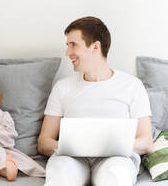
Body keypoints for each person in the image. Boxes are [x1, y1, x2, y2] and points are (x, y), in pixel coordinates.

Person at [38, 16, 153, 186]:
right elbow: (44, 141)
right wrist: (75, 147)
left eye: (73, 45)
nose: (67, 52)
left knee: (114, 176)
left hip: (116, 158)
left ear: (95, 47)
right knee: (61, 175)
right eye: (67, 45)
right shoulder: (63, 87)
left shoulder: (132, 86)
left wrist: (111, 147)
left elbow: (146, 141)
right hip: (71, 159)